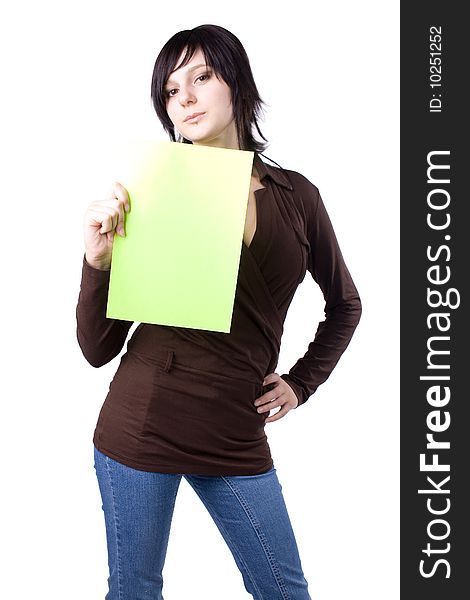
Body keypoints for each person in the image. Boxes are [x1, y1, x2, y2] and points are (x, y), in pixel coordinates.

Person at [76, 24, 362, 600]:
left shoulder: (295, 196)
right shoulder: (149, 192)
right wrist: (97, 260)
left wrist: (301, 384)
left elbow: (345, 305)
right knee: (135, 591)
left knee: (284, 591)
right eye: (170, 89)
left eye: (201, 77)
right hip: (143, 419)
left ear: (237, 83)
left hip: (234, 427)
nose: (183, 97)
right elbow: (97, 349)